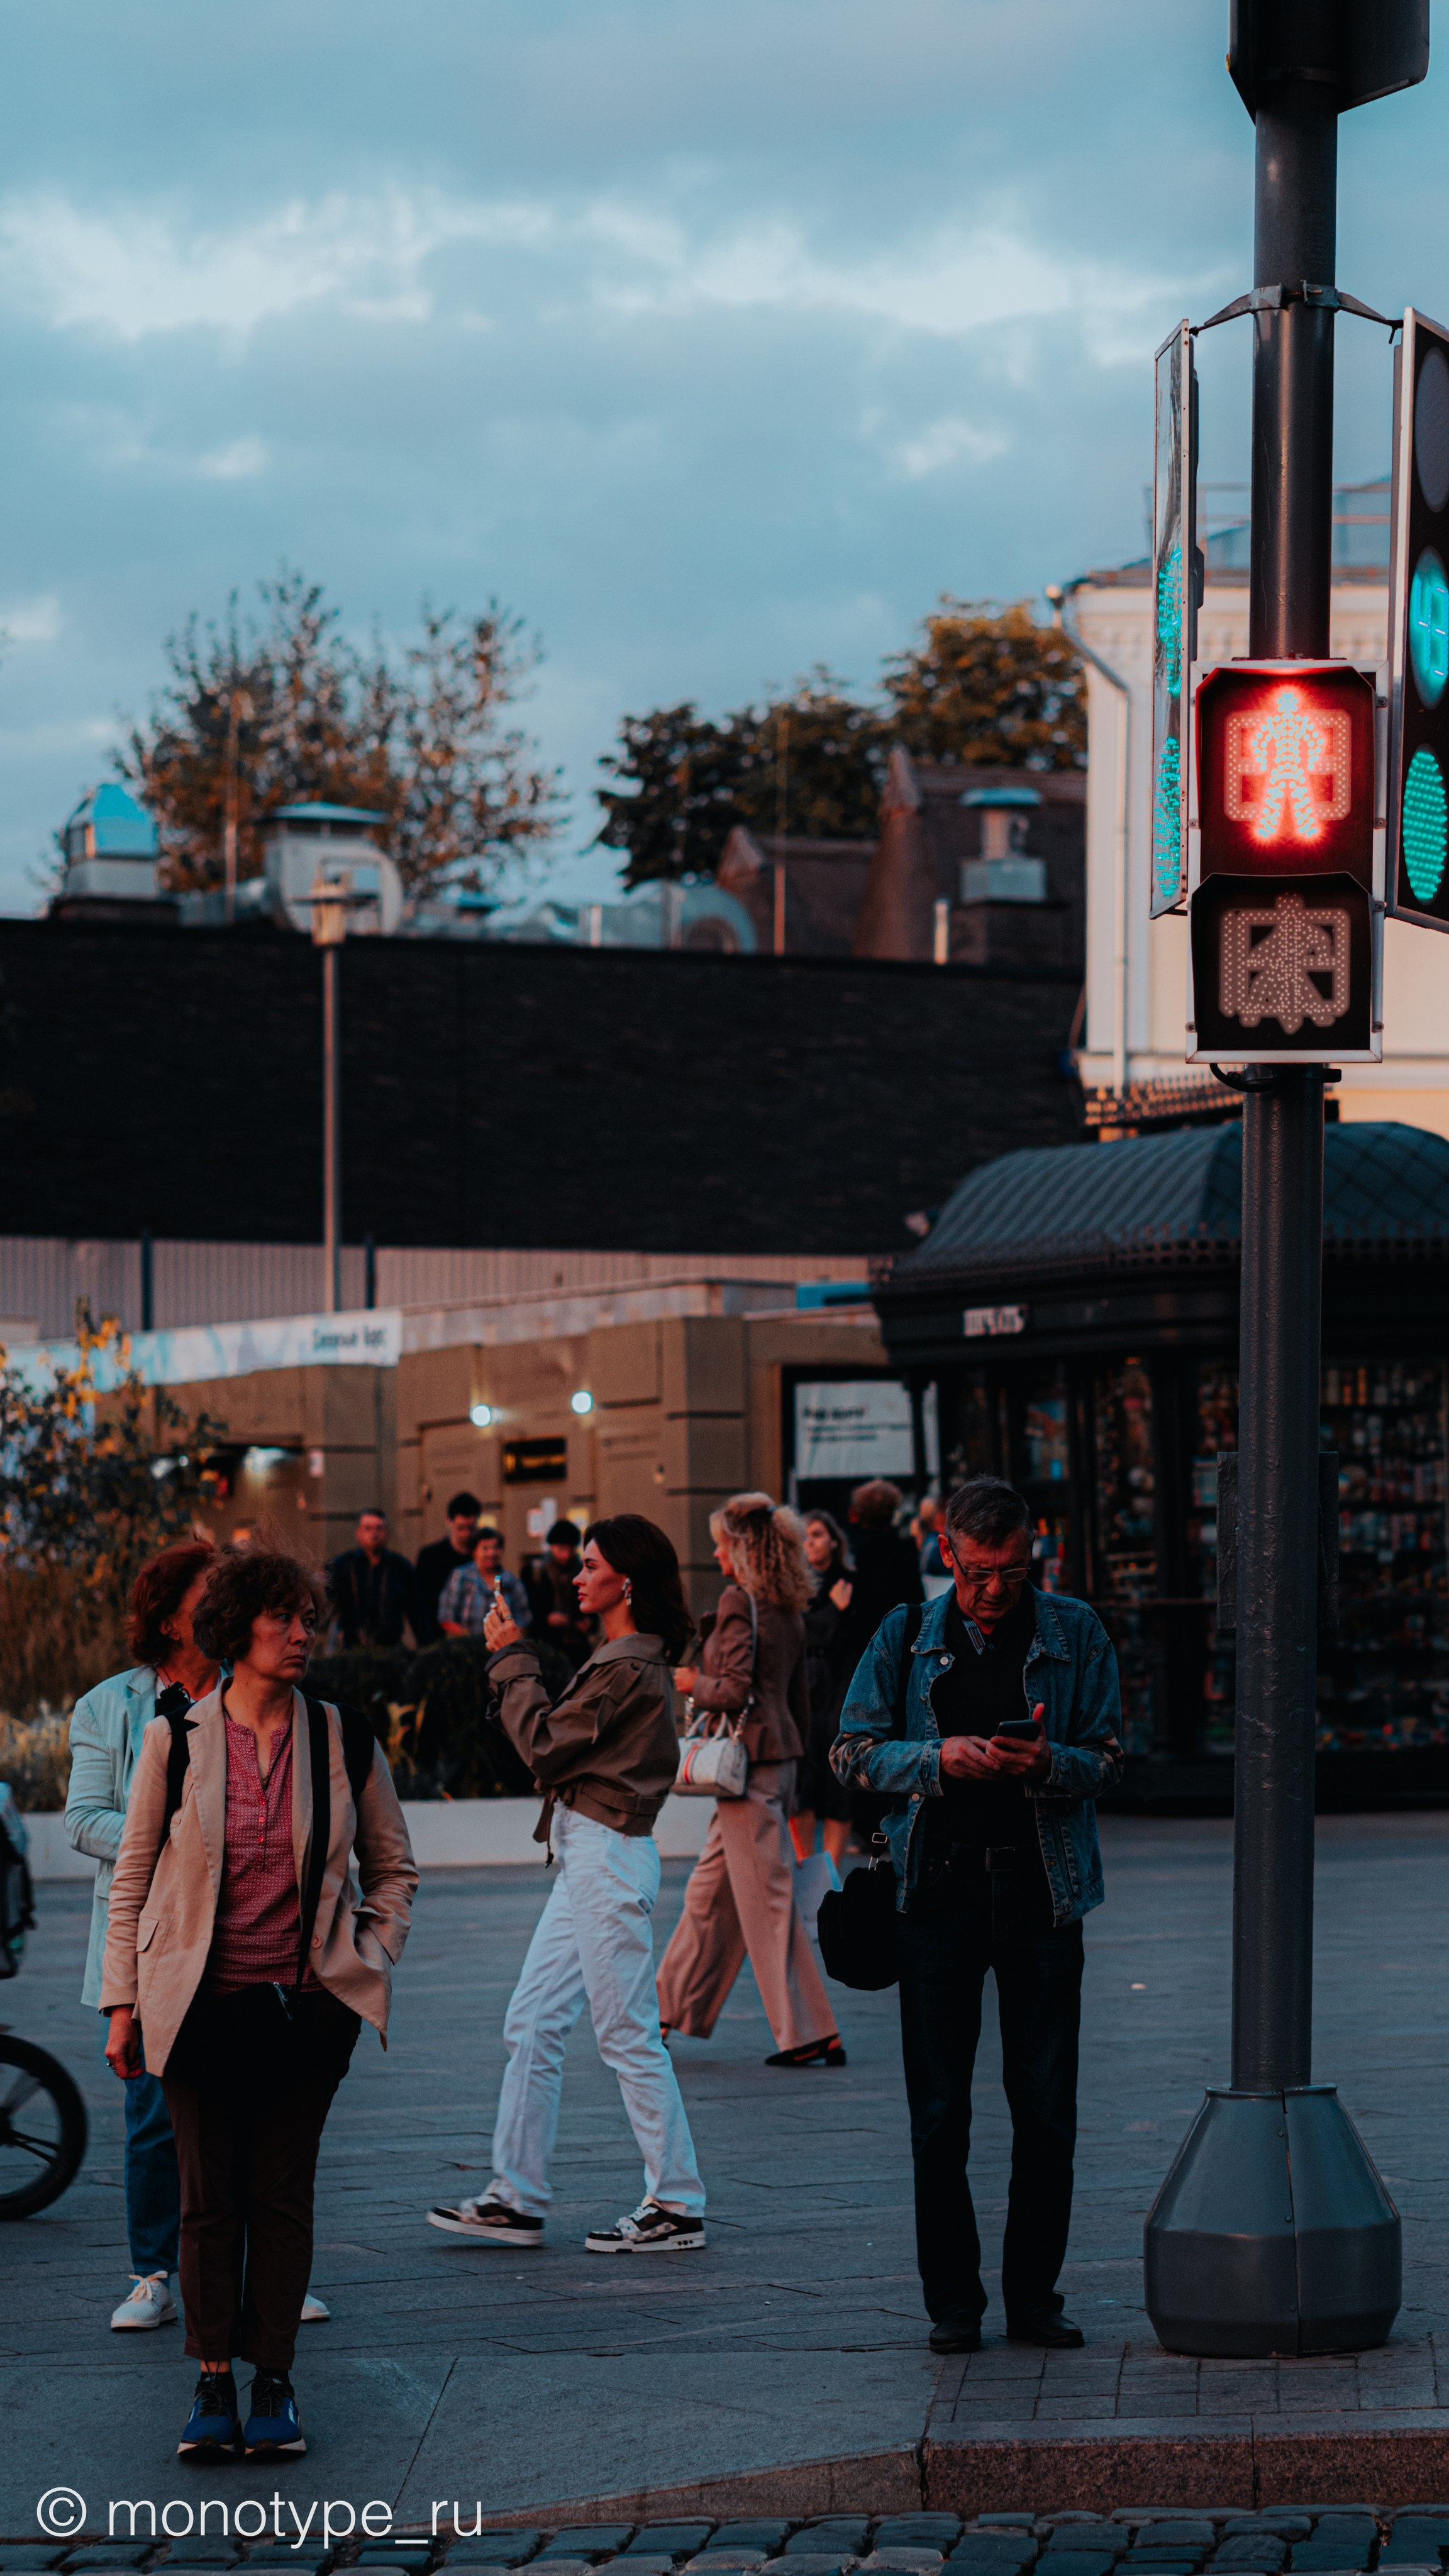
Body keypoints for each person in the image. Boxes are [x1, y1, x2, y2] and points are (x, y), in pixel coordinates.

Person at [101, 1545, 418, 2459]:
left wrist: (368, 1952)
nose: (302, 1633)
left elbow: (393, 1866)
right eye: (283, 1618)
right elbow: (132, 1879)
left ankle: (272, 2376)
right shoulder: (176, 1736)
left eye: (307, 1619)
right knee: (207, 2201)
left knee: (280, 2195)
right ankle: (209, 2381)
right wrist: (123, 2004)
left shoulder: (342, 1734)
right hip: (196, 2004)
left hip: (307, 2006)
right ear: (237, 1630)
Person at [831, 1475, 1123, 2358]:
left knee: (1044, 2109)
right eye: (978, 1573)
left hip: (1042, 1893)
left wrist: (1045, 1764)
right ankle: (954, 2305)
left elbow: (1109, 1758)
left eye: (1011, 1570)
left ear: (1034, 1555)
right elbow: (850, 1751)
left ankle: (1035, 2298)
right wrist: (938, 1760)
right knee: (938, 2113)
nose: (994, 1590)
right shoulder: (906, 1633)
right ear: (947, 1554)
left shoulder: (1074, 1631)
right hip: (939, 1892)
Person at [426, 1514, 706, 2253]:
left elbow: (545, 1749)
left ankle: (676, 2201)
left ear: (627, 1580)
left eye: (591, 1565)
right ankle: (515, 2196)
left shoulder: (626, 1667)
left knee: (626, 2032)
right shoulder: (622, 1659)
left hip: (606, 1856)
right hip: (589, 1851)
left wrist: (511, 1658)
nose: (577, 1575)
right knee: (533, 2019)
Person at [656, 1492, 843, 2069]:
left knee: (767, 1905)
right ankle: (663, 2011)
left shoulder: (741, 1603)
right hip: (776, 1763)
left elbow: (733, 1688)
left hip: (750, 1770)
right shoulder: (785, 1606)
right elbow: (798, 1700)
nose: (714, 1554)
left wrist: (691, 1680)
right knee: (709, 1897)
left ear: (742, 1549)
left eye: (721, 1543)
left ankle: (811, 2032)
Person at [790, 1509, 857, 1867]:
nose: (810, 1541)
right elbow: (804, 1633)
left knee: (837, 1780)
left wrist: (834, 1617)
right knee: (804, 1781)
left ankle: (830, 1869)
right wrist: (835, 1610)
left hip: (839, 1685)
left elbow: (852, 1638)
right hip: (803, 1685)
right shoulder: (795, 1584)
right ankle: (805, 1865)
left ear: (833, 1539)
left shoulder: (849, 1581)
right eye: (805, 1536)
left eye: (817, 1534)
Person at [329, 1508, 431, 1650]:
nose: (374, 1534)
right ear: (358, 1533)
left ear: (388, 1532)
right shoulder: (343, 1566)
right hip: (351, 1650)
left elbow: (416, 1612)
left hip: (390, 1649)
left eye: (379, 1528)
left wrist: (426, 1647)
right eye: (368, 1529)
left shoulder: (401, 1567)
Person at [438, 1523, 532, 1637]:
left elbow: (523, 1618)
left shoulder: (510, 1580)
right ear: (474, 1552)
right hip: (466, 1647)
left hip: (503, 1648)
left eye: (496, 1548)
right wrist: (468, 1638)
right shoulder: (461, 1576)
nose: (491, 1553)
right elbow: (446, 1617)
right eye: (485, 1548)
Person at [525, 1518, 594, 1669]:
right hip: (546, 1645)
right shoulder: (536, 1572)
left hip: (577, 1647)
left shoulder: (583, 1570)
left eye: (570, 1549)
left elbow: (593, 1607)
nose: (566, 1555)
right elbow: (527, 1610)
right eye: (561, 1549)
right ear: (552, 1547)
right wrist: (546, 1620)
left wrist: (589, 1623)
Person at [414, 1491, 481, 1633]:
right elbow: (420, 1604)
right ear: (448, 1521)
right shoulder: (430, 1557)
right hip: (437, 1637)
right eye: (461, 1528)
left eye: (471, 1528)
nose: (466, 1534)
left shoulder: (480, 1558)